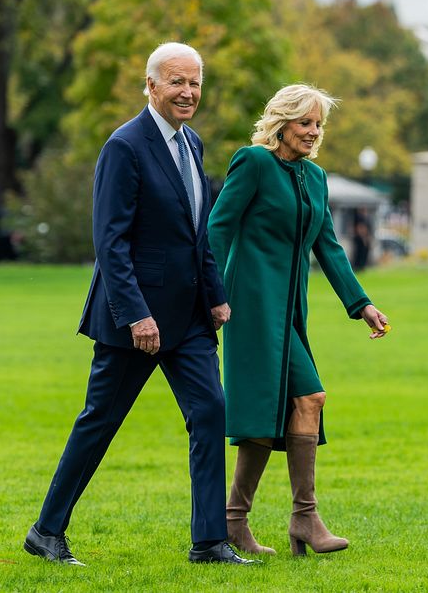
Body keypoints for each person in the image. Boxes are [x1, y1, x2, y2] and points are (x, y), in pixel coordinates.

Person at [23, 42, 255, 566]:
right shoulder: (124, 146)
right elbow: (110, 242)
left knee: (211, 411)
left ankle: (209, 542)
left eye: (195, 82)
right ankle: (46, 531)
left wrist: (215, 297)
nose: (188, 92)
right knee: (100, 421)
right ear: (150, 86)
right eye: (177, 81)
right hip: (134, 321)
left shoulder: (192, 143)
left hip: (190, 316)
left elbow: (199, 233)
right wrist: (136, 314)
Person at [208, 83, 389, 557]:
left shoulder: (315, 177)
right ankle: (294, 518)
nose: (312, 132)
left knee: (291, 406)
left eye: (318, 125)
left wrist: (361, 304)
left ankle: (254, 520)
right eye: (305, 122)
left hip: (289, 312)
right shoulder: (254, 163)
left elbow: (326, 245)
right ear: (282, 122)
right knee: (296, 401)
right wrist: (213, 294)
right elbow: (219, 226)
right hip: (249, 306)